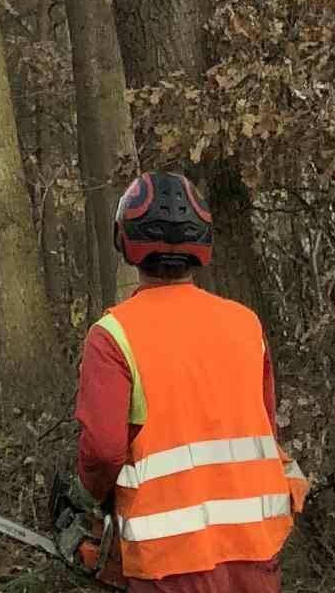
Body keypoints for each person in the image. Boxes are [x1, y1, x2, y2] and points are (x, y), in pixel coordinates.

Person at [74, 172, 310, 592]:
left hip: (169, 562)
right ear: (202, 243)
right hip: (254, 551)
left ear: (125, 241)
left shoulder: (113, 336)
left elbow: (102, 452)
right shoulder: (245, 324)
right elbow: (265, 430)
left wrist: (99, 494)